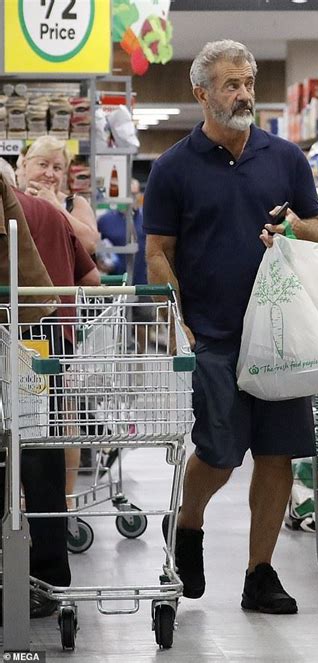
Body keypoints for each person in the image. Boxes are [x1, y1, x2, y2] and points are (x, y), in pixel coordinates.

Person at [144, 40, 318, 615]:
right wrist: (179, 325)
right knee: (219, 452)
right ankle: (188, 522)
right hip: (214, 335)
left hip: (279, 334)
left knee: (277, 454)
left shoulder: (285, 158)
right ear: (201, 93)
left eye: (247, 81)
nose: (244, 92)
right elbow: (157, 252)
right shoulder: (173, 168)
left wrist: (295, 228)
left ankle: (259, 572)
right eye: (230, 84)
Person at [0, 161, 99, 618]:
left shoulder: (15, 211)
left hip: (8, 336)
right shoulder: (50, 213)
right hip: (39, 342)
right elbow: (91, 278)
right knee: (42, 450)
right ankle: (50, 575)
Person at [19, 135, 99, 255]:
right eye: (43, 165)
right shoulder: (13, 201)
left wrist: (55, 205)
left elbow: (90, 245)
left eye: (57, 168)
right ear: (25, 165)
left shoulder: (75, 204)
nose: (49, 174)